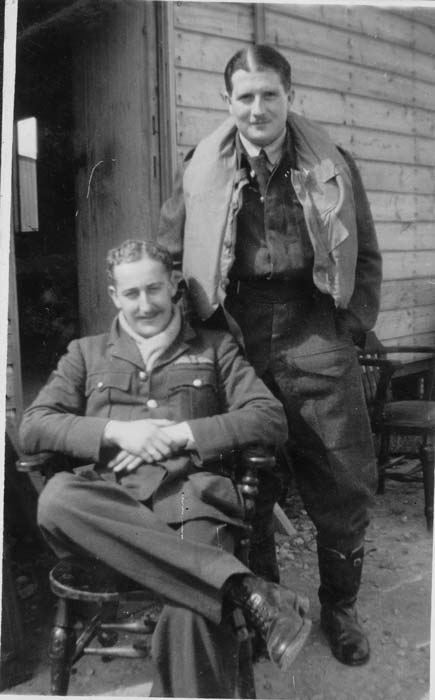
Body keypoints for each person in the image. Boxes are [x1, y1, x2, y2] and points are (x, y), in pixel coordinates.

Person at [159, 44, 382, 667]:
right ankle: (268, 612)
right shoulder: (200, 168)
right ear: (227, 102)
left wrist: (350, 328)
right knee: (244, 485)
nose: (257, 108)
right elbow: (172, 253)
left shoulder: (334, 165)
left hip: (316, 330)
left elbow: (364, 258)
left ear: (290, 97)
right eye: (245, 96)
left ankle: (340, 608)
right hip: (237, 333)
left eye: (269, 95)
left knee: (342, 483)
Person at [19, 239, 312, 699]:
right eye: (131, 293)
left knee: (193, 611)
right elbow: (34, 426)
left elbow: (268, 416)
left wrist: (181, 435)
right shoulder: (86, 353)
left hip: (188, 502)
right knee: (56, 499)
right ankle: (243, 586)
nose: (144, 304)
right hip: (109, 512)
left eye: (153, 289)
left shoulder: (215, 349)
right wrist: (118, 432)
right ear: (115, 295)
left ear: (173, 286)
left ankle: (223, 587)